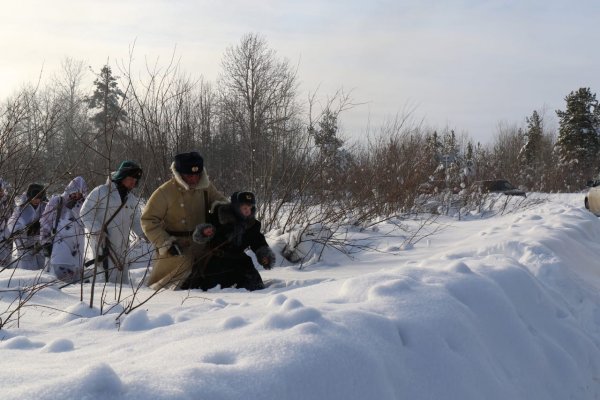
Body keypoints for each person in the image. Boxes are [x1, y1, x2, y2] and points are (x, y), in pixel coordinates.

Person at [142, 151, 227, 290]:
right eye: (189, 175)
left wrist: (225, 212)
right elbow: (148, 220)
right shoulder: (165, 191)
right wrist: (167, 243)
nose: (194, 179)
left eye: (197, 175)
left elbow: (221, 202)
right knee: (169, 287)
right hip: (176, 249)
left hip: (202, 245)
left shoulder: (206, 187)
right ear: (179, 174)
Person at [182, 191, 276, 291]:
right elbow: (199, 235)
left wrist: (264, 256)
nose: (248, 211)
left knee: (255, 287)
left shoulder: (252, 224)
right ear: (236, 207)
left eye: (250, 208)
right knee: (210, 290)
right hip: (216, 262)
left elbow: (257, 240)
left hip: (240, 261)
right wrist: (205, 232)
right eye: (245, 208)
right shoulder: (219, 216)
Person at [80, 161, 145, 284]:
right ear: (122, 176)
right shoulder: (101, 192)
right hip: (104, 245)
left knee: (121, 281)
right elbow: (85, 212)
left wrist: (145, 234)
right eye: (131, 178)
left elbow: (136, 220)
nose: (133, 182)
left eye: (136, 180)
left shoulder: (131, 199)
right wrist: (98, 230)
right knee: (104, 280)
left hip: (123, 247)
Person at [39, 176, 88, 282]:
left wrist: (78, 208)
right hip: (60, 243)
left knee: (75, 275)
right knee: (60, 273)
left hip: (77, 246)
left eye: (79, 193)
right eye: (74, 192)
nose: (76, 195)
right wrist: (45, 240)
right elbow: (45, 221)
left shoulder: (85, 205)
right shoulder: (57, 201)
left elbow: (88, 222)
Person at [6, 183, 48, 270]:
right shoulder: (21, 209)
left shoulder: (45, 207)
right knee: (28, 270)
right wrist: (25, 229)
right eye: (35, 198)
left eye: (39, 198)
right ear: (29, 196)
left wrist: (42, 227)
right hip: (25, 245)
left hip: (40, 244)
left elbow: (50, 221)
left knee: (42, 269)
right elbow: (12, 224)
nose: (37, 201)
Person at [0, 179, 13, 267]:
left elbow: (15, 215)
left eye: (0, 190)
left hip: (6, 235)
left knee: (6, 263)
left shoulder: (9, 199)